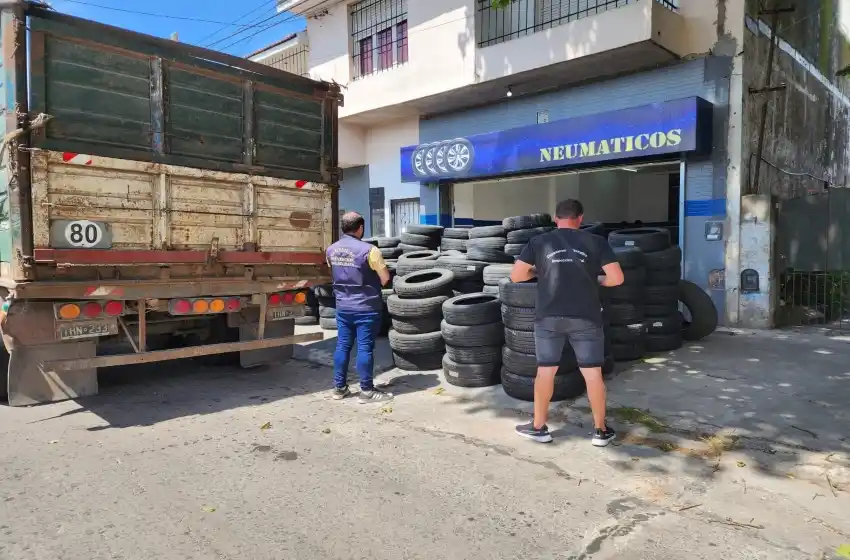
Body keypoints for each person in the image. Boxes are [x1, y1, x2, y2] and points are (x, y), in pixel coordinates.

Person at [510, 199, 624, 447]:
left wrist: (539, 272)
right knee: (593, 374)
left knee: (546, 372)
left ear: (555, 218)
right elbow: (616, 279)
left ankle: (539, 427)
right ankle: (600, 431)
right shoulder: (596, 242)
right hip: (586, 317)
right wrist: (597, 281)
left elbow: (516, 276)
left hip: (549, 318)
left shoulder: (539, 242)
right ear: (580, 218)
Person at [326, 212, 392, 403]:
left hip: (343, 307)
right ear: (360, 228)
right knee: (364, 348)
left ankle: (339, 389)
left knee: (343, 346)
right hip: (366, 307)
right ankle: (367, 391)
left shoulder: (331, 250)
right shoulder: (370, 250)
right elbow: (385, 278)